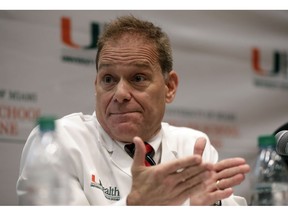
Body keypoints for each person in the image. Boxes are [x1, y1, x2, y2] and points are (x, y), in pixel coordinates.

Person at [16, 15, 250, 206]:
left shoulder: (194, 147)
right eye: (108, 79)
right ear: (96, 85)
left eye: (138, 78)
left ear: (169, 87)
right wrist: (135, 206)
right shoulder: (57, 141)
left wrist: (209, 209)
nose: (119, 94)